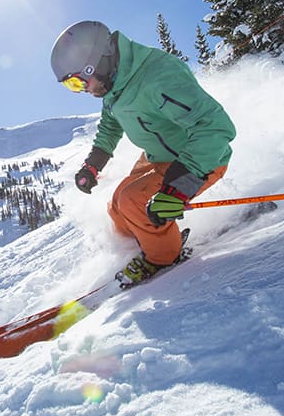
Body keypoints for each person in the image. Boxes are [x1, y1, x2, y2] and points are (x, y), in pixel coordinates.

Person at [50, 20, 236, 286]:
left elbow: (216, 126)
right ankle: (145, 240)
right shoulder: (113, 86)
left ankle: (163, 256)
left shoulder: (158, 76)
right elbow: (110, 125)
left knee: (131, 201)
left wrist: (179, 188)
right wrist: (93, 165)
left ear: (97, 63)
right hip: (157, 155)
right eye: (73, 87)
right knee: (116, 205)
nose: (83, 90)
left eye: (79, 83)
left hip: (197, 159)